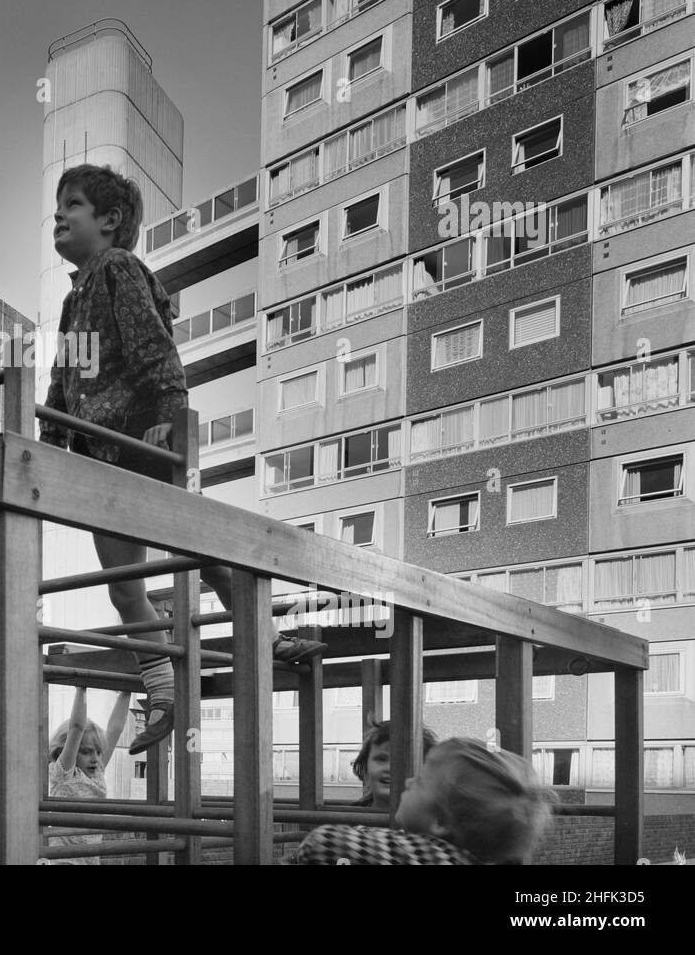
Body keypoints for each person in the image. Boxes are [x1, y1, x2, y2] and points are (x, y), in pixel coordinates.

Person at [41, 163, 325, 756]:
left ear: (110, 220)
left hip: (142, 437)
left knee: (192, 545)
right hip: (100, 459)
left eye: (72, 205)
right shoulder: (73, 302)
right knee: (124, 586)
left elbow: (156, 349)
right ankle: (163, 689)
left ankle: (266, 636)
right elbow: (62, 384)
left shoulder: (118, 269)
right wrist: (48, 448)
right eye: (58, 206)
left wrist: (170, 412)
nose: (59, 215)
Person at [295, 737, 554, 864]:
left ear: (440, 820)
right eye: (380, 758)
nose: (407, 781)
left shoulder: (435, 858)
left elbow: (324, 843)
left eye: (420, 780)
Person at [44, 686, 131, 865]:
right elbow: (76, 728)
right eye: (86, 752)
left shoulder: (97, 772)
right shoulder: (65, 773)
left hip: (91, 856)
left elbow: (115, 728)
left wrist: (126, 692)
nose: (95, 758)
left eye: (98, 752)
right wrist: (81, 687)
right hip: (66, 859)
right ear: (71, 751)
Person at [348, 718, 439, 809]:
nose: (390, 768)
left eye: (402, 761)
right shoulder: (348, 819)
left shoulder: (440, 821)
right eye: (381, 759)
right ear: (365, 767)